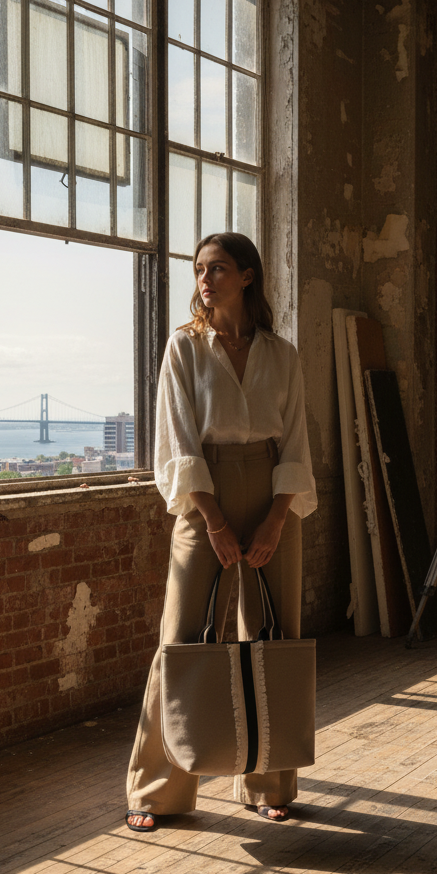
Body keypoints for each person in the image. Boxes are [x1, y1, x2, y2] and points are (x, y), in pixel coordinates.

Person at [125, 232, 318, 833]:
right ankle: (157, 791)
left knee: (274, 636)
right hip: (202, 493)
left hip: (270, 491)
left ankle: (268, 781)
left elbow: (295, 444)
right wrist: (210, 519)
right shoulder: (184, 349)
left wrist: (276, 517)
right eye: (200, 270)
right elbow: (178, 442)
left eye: (218, 269)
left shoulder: (281, 355)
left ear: (249, 276)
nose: (204, 280)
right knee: (179, 641)